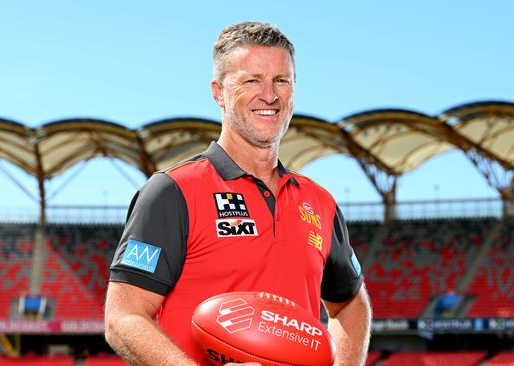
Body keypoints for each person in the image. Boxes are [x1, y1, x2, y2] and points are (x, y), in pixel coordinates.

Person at [104, 21, 372, 365]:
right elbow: (123, 317)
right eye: (251, 80)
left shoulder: (320, 203)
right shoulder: (173, 191)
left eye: (281, 81)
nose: (270, 95)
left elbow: (350, 302)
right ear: (218, 92)